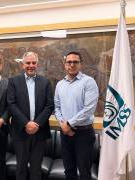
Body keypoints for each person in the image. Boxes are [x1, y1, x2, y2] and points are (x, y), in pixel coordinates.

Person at [7, 52, 54, 180]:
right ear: (23, 65)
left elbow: (50, 106)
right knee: (21, 168)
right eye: (28, 63)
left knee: (36, 169)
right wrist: (26, 123)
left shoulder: (45, 82)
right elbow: (11, 104)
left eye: (33, 63)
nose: (31, 65)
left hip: (40, 132)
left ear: (37, 64)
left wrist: (36, 124)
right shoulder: (13, 81)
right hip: (20, 131)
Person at [54, 51, 99, 180]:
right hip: (65, 134)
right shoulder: (60, 85)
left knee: (84, 173)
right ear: (65, 64)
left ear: (80, 64)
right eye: (69, 62)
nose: (72, 64)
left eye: (75, 62)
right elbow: (57, 108)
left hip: (83, 135)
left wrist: (69, 124)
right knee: (69, 171)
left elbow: (88, 110)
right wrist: (63, 125)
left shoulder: (88, 82)